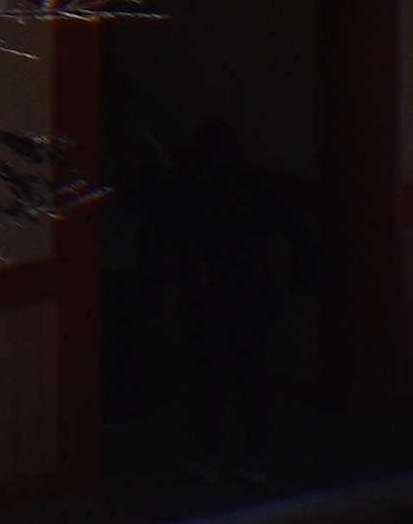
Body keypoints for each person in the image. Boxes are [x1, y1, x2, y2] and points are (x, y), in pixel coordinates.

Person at [129, 116, 317, 484]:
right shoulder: (254, 185)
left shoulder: (183, 187)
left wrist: (156, 284)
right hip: (248, 289)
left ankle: (210, 455)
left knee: (207, 375)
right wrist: (297, 286)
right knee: (251, 372)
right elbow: (301, 235)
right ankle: (253, 457)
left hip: (204, 292)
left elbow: (154, 239)